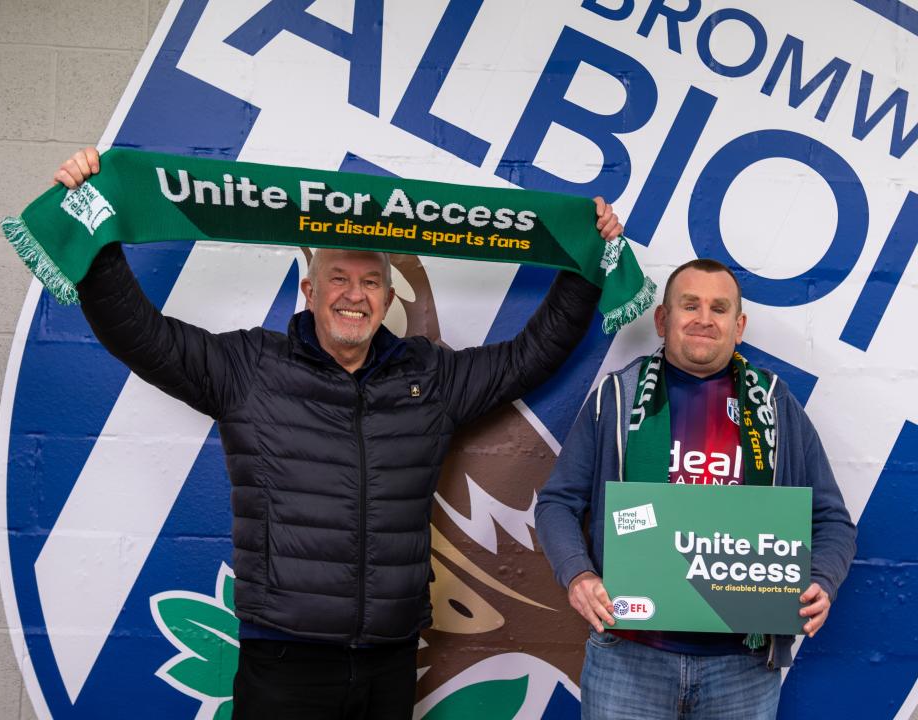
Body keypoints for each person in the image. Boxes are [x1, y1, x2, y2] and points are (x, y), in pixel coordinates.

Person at [53, 147, 624, 719]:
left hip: (390, 659)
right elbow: (139, 335)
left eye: (372, 281)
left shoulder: (429, 376)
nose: (356, 294)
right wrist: (94, 218)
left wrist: (585, 255)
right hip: (282, 659)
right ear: (309, 290)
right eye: (340, 279)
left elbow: (531, 356)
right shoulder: (248, 368)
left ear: (387, 296)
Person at [534, 258, 856, 719]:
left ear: (738, 326)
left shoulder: (775, 405)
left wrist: (821, 580)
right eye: (690, 305)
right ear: (663, 320)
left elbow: (832, 521)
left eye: (719, 308)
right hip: (628, 657)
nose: (704, 319)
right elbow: (557, 503)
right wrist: (578, 575)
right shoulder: (618, 397)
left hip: (741, 666)